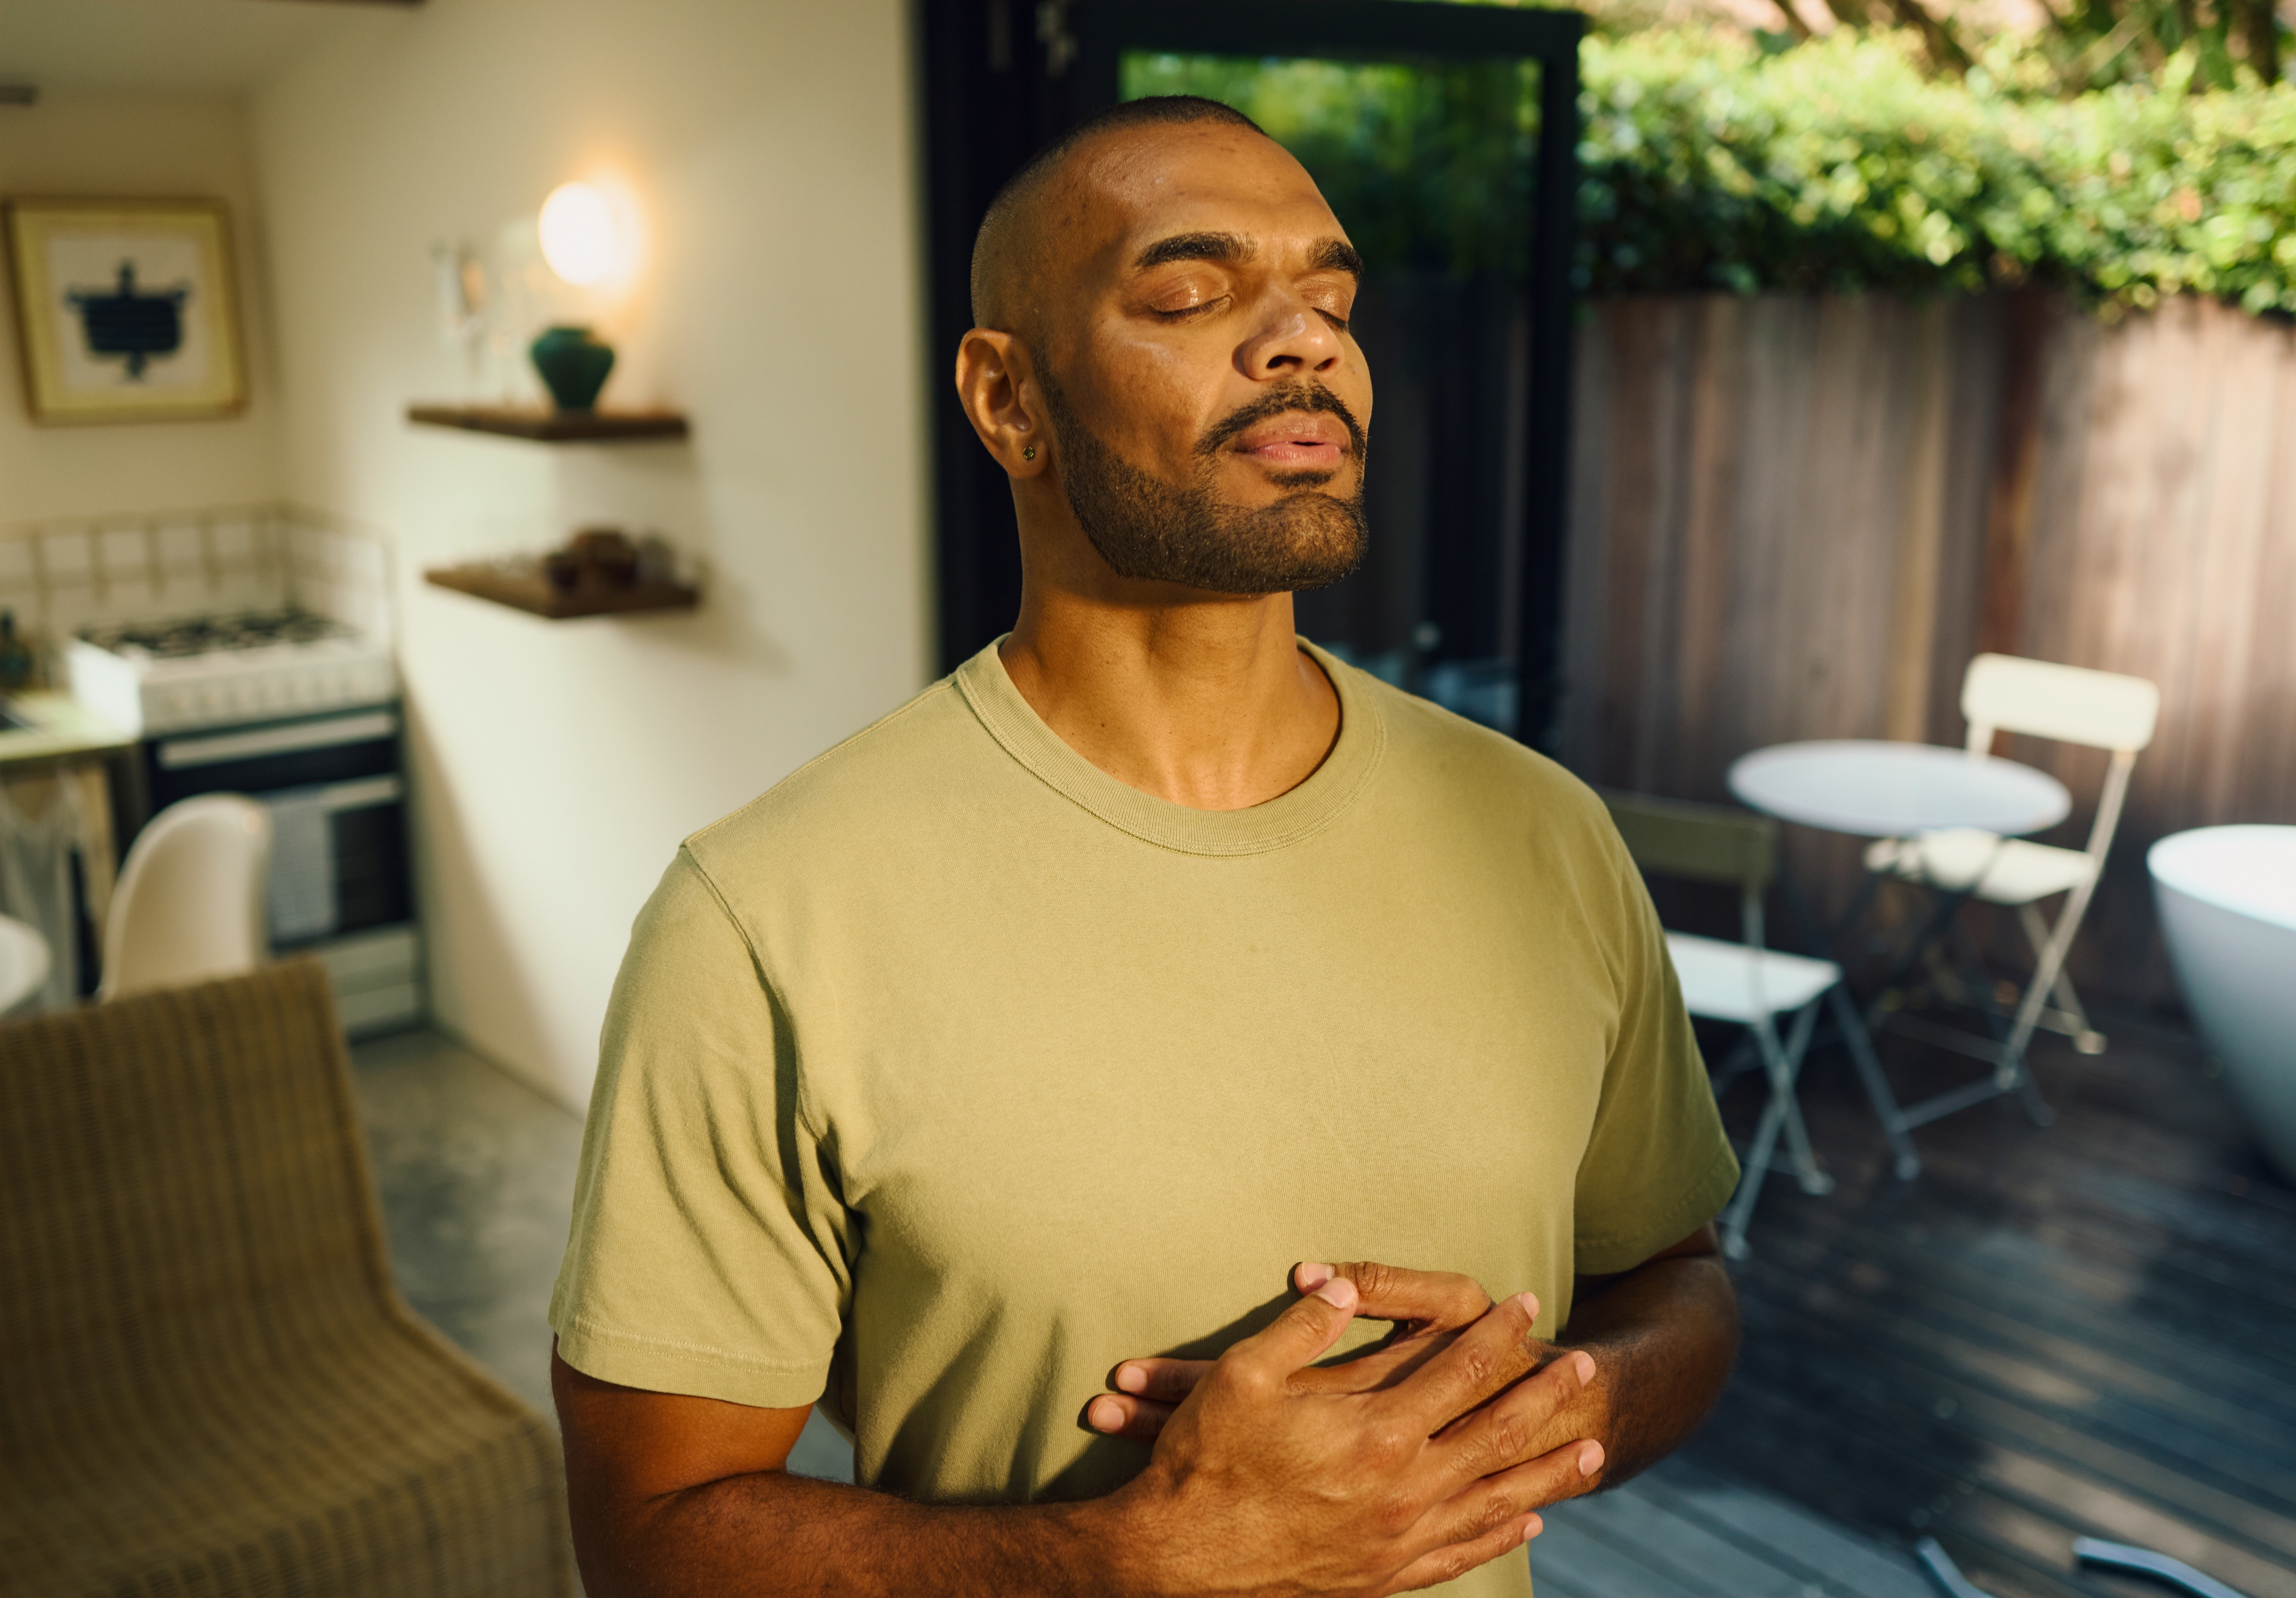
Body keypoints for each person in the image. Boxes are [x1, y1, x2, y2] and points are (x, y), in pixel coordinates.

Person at [548, 96, 1741, 1598]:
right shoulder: (763, 918)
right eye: (1191, 293)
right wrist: (1124, 1556)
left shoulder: (1541, 833)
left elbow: (1678, 1280)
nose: (1302, 338)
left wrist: (1543, 1411)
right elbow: (650, 1536)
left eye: (1330, 295)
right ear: (1008, 401)